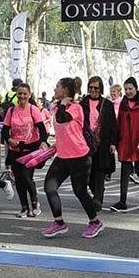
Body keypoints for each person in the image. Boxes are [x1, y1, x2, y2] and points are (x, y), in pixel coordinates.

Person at [42, 77, 104, 238]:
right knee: (49, 187)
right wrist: (50, 146)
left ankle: (95, 222)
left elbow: (63, 118)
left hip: (79, 157)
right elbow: (63, 131)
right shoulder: (57, 107)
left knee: (80, 191)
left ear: (65, 91)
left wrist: (63, 104)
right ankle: (59, 223)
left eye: (57, 87)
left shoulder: (75, 108)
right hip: (63, 156)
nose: (54, 89)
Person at [2, 83, 50, 218]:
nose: (22, 96)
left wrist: (43, 143)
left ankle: (35, 203)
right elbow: (5, 131)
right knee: (18, 179)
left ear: (29, 95)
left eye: (25, 94)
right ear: (16, 95)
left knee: (26, 177)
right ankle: (24, 207)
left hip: (31, 149)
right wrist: (10, 140)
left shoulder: (33, 110)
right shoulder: (11, 111)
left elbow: (42, 129)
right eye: (19, 94)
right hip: (15, 150)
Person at [111, 77, 139, 212]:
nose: (128, 91)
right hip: (126, 142)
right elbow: (119, 122)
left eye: (130, 89)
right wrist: (116, 141)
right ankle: (122, 201)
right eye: (126, 89)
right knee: (125, 171)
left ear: (136, 89)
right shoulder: (124, 103)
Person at [81, 75, 118, 211]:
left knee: (100, 171)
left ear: (100, 88)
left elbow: (113, 125)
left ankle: (97, 200)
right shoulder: (83, 103)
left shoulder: (107, 104)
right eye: (91, 87)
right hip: (86, 143)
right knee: (88, 173)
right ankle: (98, 192)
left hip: (103, 143)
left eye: (96, 88)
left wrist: (113, 143)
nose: (93, 90)